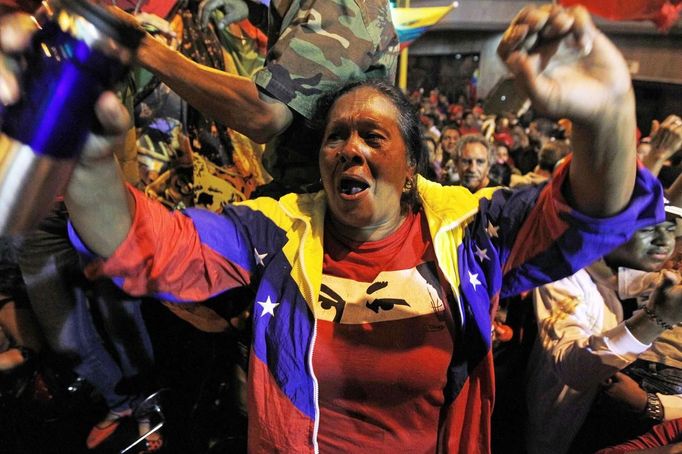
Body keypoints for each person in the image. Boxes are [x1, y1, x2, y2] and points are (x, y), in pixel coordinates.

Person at [0, 4, 671, 452]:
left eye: (372, 135)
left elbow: (592, 212)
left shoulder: (469, 233)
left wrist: (607, 111)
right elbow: (142, 246)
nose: (349, 147)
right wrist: (85, 156)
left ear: (410, 165)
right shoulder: (273, 235)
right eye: (336, 137)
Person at [111, 0, 399, 194]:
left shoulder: (342, 5)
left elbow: (265, 114)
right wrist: (256, 13)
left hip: (328, 214)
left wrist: (144, 47)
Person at [525, 214, 682, 454]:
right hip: (564, 431)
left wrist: (651, 404)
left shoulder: (646, 280)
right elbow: (573, 369)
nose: (664, 242)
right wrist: (654, 320)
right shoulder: (569, 274)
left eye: (671, 231)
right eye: (649, 229)